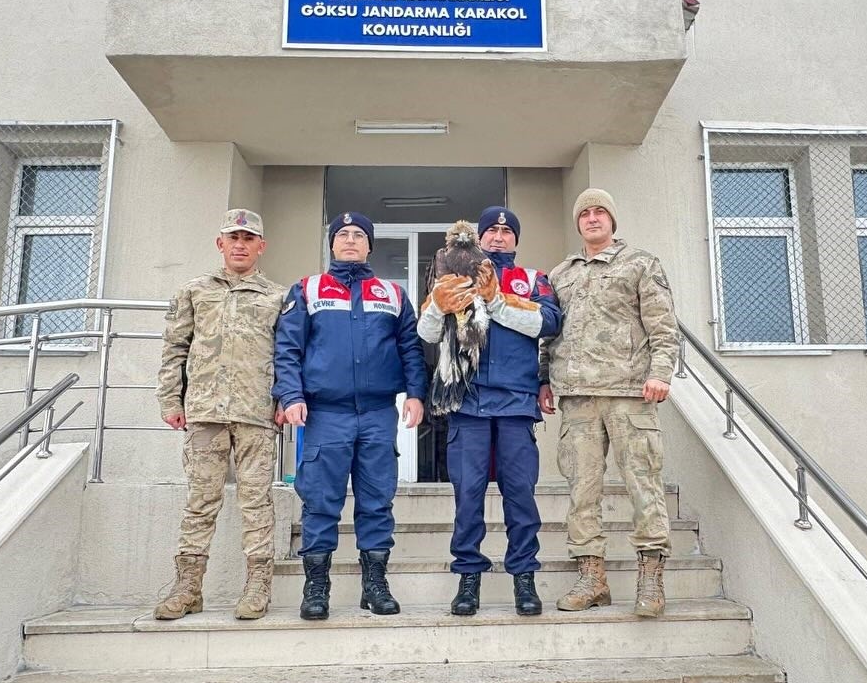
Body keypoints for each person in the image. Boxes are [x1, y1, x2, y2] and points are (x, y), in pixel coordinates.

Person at [275, 211, 427, 621]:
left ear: (370, 245)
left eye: (359, 234)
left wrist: (416, 394)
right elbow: (287, 348)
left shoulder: (392, 294)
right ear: (332, 243)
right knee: (320, 502)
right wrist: (290, 394)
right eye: (342, 234)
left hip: (378, 414)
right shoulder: (307, 290)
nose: (350, 240)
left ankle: (374, 585)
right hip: (325, 414)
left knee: (377, 501)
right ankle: (316, 587)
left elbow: (411, 349)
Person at [539, 189, 679, 617]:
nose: (593, 218)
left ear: (612, 220)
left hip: (630, 393)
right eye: (585, 213)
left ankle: (651, 578)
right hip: (578, 398)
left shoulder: (641, 263)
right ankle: (592, 578)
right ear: (578, 222)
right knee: (582, 491)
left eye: (600, 211)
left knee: (644, 486)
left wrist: (660, 372)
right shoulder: (560, 273)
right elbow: (551, 333)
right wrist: (543, 379)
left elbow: (663, 324)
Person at [417, 206, 562, 617]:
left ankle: (524, 578)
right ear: (479, 237)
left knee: (520, 497)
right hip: (467, 403)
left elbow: (548, 323)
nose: (498, 237)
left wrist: (497, 301)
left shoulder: (533, 279)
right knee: (467, 498)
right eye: (491, 231)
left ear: (516, 239)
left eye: (506, 231)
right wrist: (437, 307)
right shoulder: (453, 274)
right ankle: (468, 579)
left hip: (516, 403)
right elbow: (425, 334)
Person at [154, 209, 287, 621]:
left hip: (255, 413)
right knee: (199, 501)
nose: (241, 245)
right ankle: (188, 587)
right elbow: (175, 347)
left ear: (261, 246)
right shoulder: (194, 291)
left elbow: (288, 354)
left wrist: (285, 399)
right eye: (234, 237)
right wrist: (171, 401)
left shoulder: (277, 297)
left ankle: (257, 586)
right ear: (221, 243)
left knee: (256, 502)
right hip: (205, 413)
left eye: (249, 238)